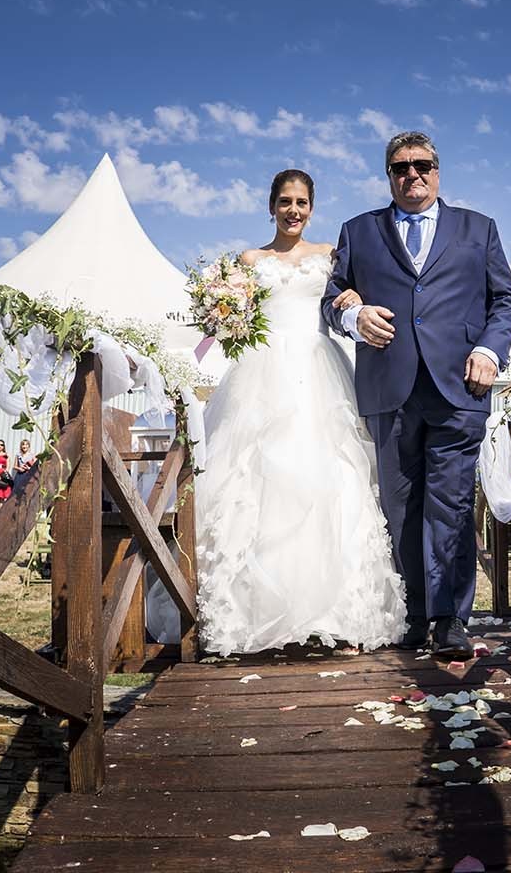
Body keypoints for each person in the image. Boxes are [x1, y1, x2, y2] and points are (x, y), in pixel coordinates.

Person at [322, 131, 511, 659]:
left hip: (461, 385)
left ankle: (450, 618)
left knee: (452, 504)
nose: (412, 175)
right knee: (400, 506)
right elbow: (330, 300)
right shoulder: (358, 232)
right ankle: (411, 614)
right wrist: (352, 314)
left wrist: (490, 351)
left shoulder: (479, 229)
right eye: (400, 168)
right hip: (389, 387)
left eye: (422, 165)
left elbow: (506, 301)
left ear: (439, 169)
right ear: (388, 175)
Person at [195, 168, 407, 657]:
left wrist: (351, 297)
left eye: (303, 203)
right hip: (260, 374)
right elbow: (227, 323)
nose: (294, 211)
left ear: (312, 208)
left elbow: (343, 299)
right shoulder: (248, 260)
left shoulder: (330, 257)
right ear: (271, 206)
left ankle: (338, 611)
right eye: (286, 202)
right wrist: (221, 312)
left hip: (318, 371)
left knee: (331, 479)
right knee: (254, 483)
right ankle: (249, 613)